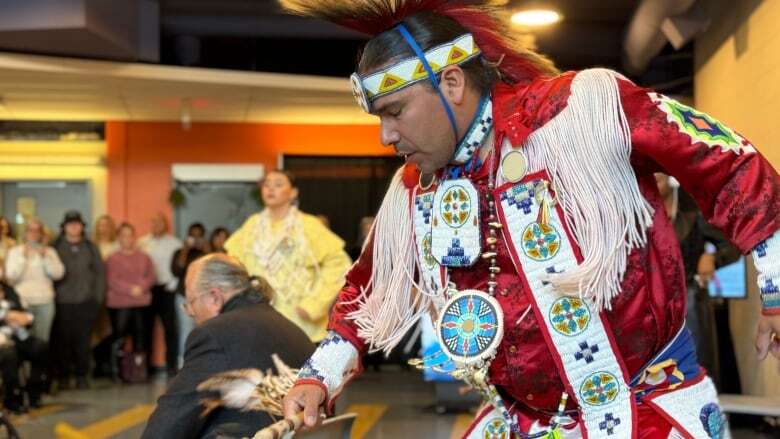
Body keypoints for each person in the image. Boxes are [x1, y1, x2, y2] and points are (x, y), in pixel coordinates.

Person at [279, 1, 780, 438]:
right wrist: (317, 376)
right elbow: (367, 289)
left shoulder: (577, 112)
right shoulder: (415, 188)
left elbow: (725, 159)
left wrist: (775, 284)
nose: (386, 136)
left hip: (643, 413)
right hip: (520, 422)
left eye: (395, 111)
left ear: (451, 82)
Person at [141, 254, 314, 439]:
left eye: (191, 302)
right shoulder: (294, 331)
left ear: (215, 297)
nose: (190, 312)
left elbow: (170, 421)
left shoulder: (214, 334)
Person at [225, 170, 352, 342]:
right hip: (260, 318)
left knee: (298, 368)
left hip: (301, 321)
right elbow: (233, 266)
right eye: (267, 185)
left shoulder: (308, 225)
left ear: (293, 192)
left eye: (278, 184)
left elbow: (339, 265)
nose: (270, 189)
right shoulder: (252, 226)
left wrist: (314, 304)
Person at [656, 173, 741, 387]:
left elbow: (732, 244)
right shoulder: (637, 210)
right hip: (654, 309)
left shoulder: (693, 206)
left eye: (657, 176)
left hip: (690, 301)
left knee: (698, 371)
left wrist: (711, 257)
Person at [52, 210, 105, 390]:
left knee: (83, 342)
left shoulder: (91, 247)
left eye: (77, 223)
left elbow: (100, 275)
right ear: (64, 227)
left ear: (82, 227)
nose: (74, 227)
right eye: (70, 224)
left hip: (86, 302)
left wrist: (97, 300)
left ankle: (82, 376)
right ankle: (64, 377)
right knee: (63, 342)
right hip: (62, 303)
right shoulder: (55, 246)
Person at [103, 223, 156, 381]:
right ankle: (118, 372)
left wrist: (141, 288)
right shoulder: (112, 258)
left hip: (142, 302)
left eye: (130, 235)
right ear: (119, 238)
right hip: (119, 304)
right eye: (124, 235)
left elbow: (151, 276)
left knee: (141, 338)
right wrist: (131, 290)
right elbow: (111, 280)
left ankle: (139, 372)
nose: (127, 239)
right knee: (119, 338)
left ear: (135, 237)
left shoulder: (144, 257)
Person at [4, 219, 65, 341]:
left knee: (42, 340)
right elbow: (11, 275)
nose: (34, 233)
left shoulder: (50, 251)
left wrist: (45, 257)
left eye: (37, 230)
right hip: (22, 302)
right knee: (22, 340)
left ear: (42, 233)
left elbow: (58, 274)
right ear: (25, 233)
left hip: (45, 302)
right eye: (30, 230)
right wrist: (23, 257)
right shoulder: (15, 252)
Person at [138, 213, 181, 377]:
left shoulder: (175, 243)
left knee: (170, 328)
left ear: (166, 225)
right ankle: (146, 367)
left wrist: (173, 284)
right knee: (145, 329)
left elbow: (181, 266)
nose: (156, 225)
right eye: (153, 222)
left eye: (160, 222)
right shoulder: (141, 243)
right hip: (146, 290)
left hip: (166, 289)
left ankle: (171, 366)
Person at [0, 283, 48, 412]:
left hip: (18, 335)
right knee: (10, 354)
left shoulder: (8, 289)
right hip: (3, 342)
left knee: (40, 347)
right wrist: (6, 316)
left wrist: (24, 317)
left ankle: (34, 393)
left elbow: (24, 314)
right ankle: (12, 399)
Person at [171, 222, 208, 368]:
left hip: (205, 296)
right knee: (185, 331)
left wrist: (205, 248)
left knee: (206, 330)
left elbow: (211, 267)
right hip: (184, 295)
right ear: (188, 236)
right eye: (193, 235)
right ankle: (184, 365)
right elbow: (176, 270)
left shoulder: (205, 252)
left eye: (199, 236)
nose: (196, 239)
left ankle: (204, 362)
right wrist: (185, 249)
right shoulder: (180, 252)